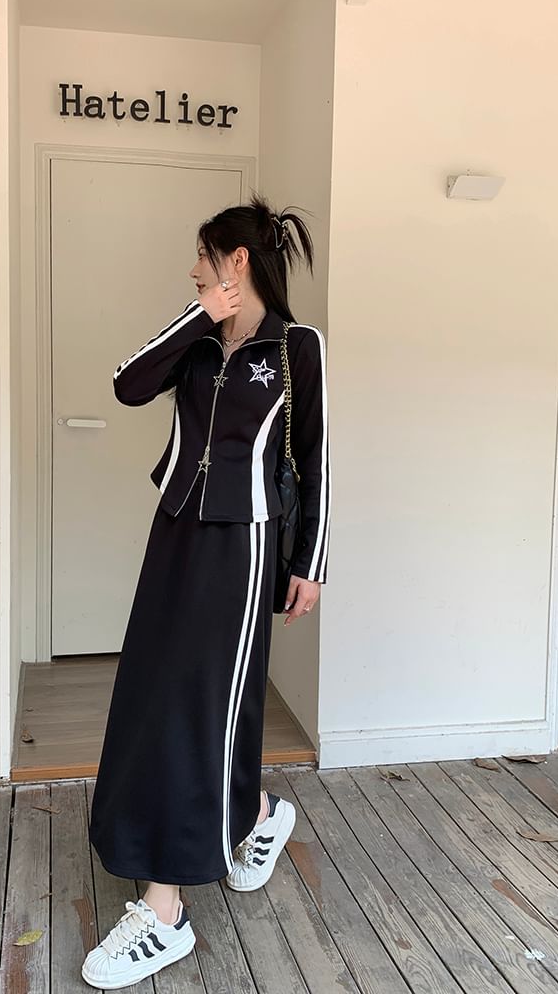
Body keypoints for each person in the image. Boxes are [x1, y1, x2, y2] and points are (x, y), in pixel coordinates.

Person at [82, 195, 330, 990]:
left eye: (203, 256)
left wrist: (311, 561)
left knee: (200, 706)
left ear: (237, 260)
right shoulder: (194, 342)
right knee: (158, 691)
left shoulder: (296, 347)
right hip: (176, 532)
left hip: (246, 547)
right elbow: (127, 385)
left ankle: (166, 912)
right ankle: (255, 816)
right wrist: (200, 316)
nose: (193, 270)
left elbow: (317, 460)